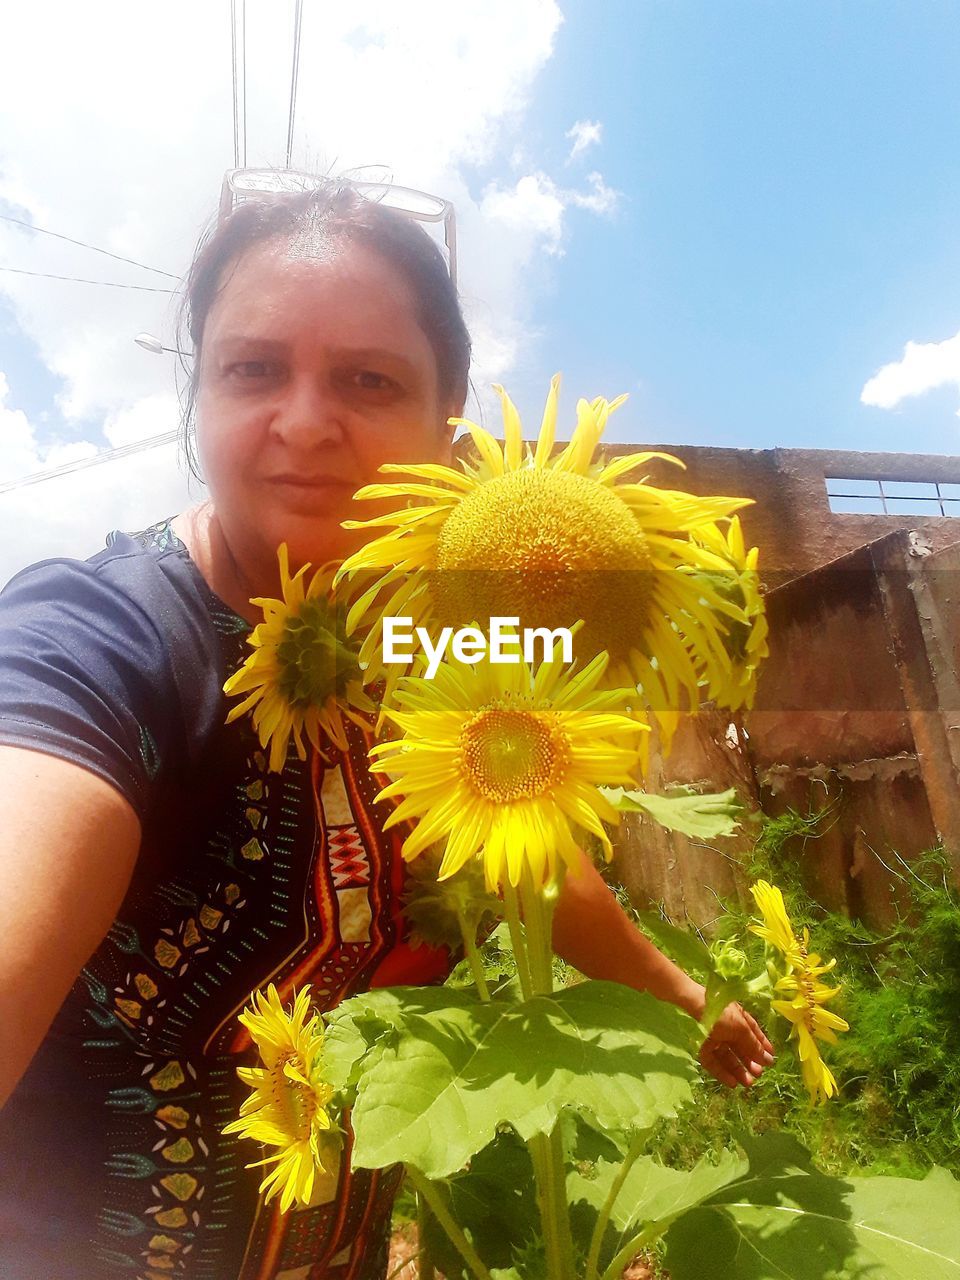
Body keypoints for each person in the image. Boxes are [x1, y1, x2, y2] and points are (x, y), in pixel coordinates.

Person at [0, 174, 774, 1279]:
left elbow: (528, 845)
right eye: (253, 368)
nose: (305, 421)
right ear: (200, 397)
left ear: (445, 428)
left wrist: (681, 994)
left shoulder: (437, 642)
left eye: (368, 379)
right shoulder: (104, 639)